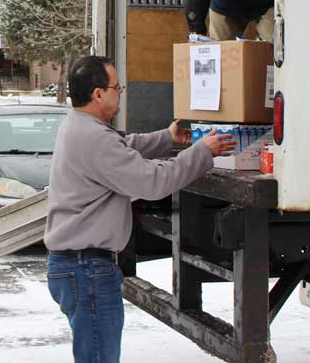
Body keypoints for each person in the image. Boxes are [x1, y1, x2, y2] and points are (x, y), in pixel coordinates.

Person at [44, 55, 234, 363]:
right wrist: (202, 152)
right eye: (118, 87)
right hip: (87, 269)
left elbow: (124, 146)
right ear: (98, 94)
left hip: (78, 267)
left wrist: (166, 138)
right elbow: (154, 182)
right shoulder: (94, 137)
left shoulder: (80, 126)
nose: (121, 92)